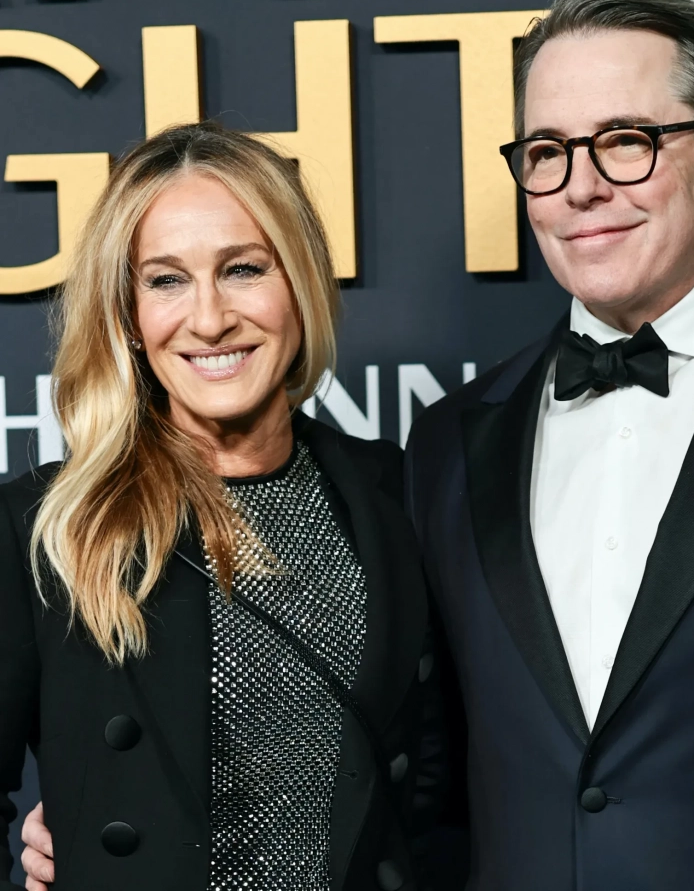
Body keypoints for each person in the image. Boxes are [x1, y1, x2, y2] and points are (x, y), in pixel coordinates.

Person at [403, 0, 694, 891]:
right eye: (547, 152)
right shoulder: (449, 442)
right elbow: (426, 769)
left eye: (626, 142)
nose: (582, 188)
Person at [1, 121, 459, 891]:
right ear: (129, 317)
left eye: (243, 269)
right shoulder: (44, 529)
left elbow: (447, 787)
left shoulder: (397, 491)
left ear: (300, 282)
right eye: (166, 280)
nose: (210, 318)